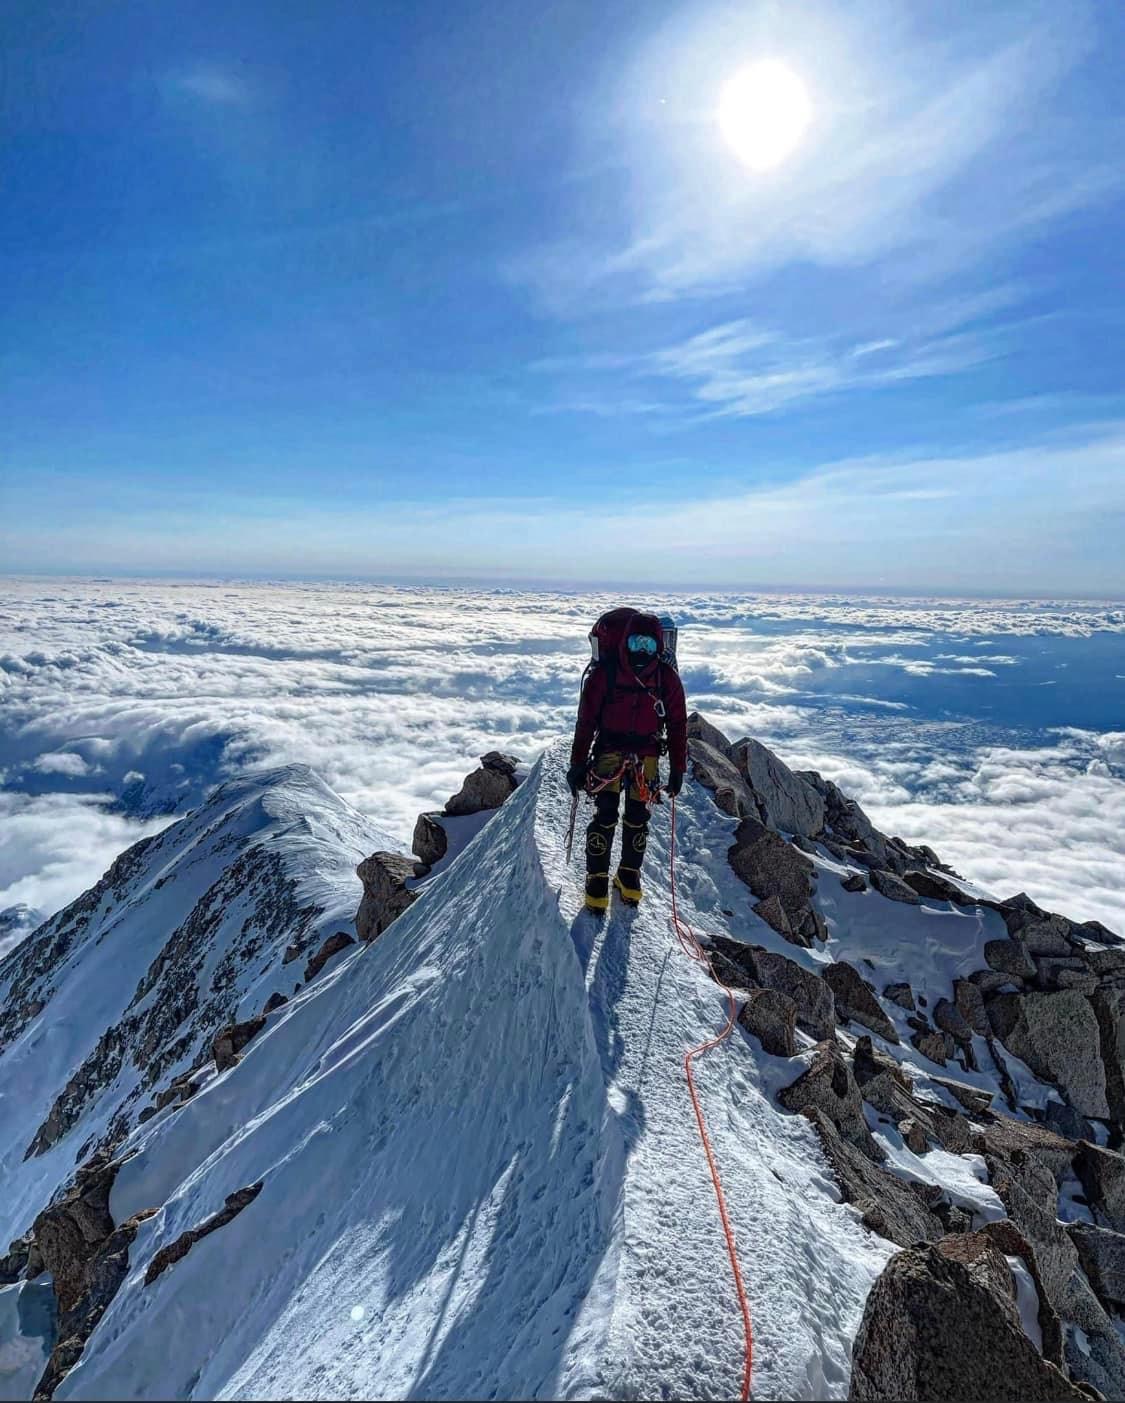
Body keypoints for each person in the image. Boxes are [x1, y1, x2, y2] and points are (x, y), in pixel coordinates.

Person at [566, 610, 687, 912]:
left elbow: (678, 726)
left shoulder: (614, 674)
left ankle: (614, 880)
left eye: (647, 645)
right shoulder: (662, 678)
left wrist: (678, 768)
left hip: (621, 754)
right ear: (625, 643)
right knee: (618, 815)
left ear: (658, 645)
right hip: (631, 755)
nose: (641, 652)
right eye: (636, 644)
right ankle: (613, 880)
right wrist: (577, 763)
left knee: (631, 817)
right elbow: (586, 722)